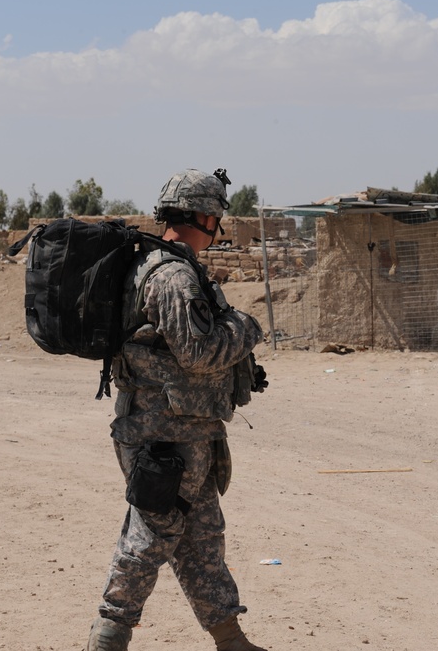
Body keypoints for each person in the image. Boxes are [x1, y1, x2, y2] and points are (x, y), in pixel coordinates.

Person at [84, 168, 268, 651]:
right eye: (215, 216)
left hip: (187, 429)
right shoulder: (172, 275)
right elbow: (200, 353)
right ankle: (108, 635)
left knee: (202, 536)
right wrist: (247, 328)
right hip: (163, 432)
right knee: (152, 535)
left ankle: (230, 638)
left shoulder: (166, 265)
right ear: (203, 217)